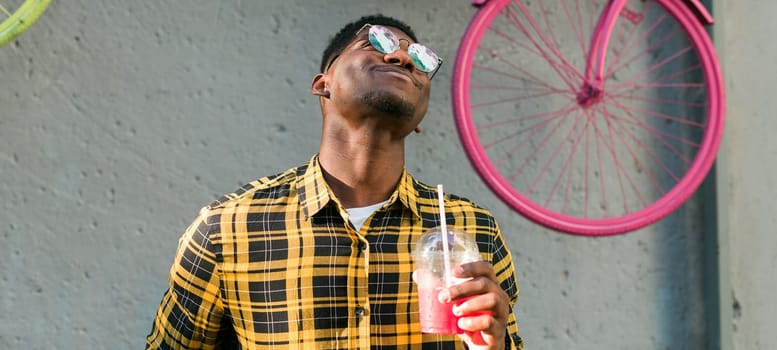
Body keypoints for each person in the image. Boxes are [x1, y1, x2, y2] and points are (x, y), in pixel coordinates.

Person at [146, 13, 523, 350]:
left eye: (419, 60)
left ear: (420, 117)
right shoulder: (228, 228)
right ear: (322, 84)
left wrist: (494, 346)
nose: (403, 57)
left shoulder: (472, 230)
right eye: (376, 43)